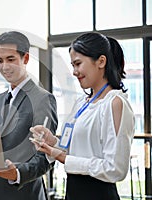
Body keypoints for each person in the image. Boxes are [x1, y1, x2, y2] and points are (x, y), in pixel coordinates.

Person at [30, 32, 135, 200]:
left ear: (101, 61)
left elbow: (115, 168)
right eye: (72, 65)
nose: (74, 72)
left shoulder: (114, 103)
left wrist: (64, 158)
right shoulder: (81, 103)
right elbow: (76, 150)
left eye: (78, 64)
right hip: (73, 192)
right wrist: (52, 142)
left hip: (98, 194)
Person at [0, 31, 58, 200]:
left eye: (11, 59)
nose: (5, 67)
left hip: (26, 191)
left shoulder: (42, 99)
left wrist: (17, 173)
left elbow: (45, 156)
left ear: (25, 59)